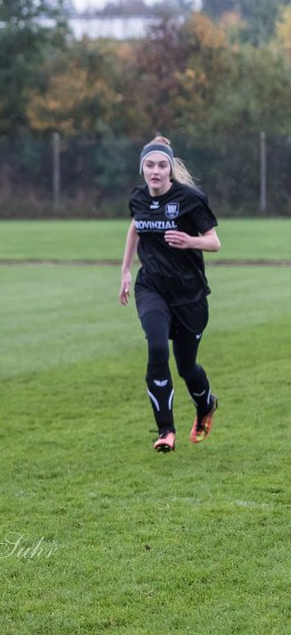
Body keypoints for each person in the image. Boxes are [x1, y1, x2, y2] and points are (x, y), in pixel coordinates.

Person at [119, 135, 220, 453]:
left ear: (170, 168)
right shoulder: (138, 198)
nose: (155, 171)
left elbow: (214, 242)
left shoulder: (190, 198)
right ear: (142, 169)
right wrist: (125, 270)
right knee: (157, 347)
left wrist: (190, 241)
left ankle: (206, 406)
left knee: (187, 367)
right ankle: (166, 431)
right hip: (152, 288)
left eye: (162, 165)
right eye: (149, 165)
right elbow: (135, 227)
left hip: (189, 295)